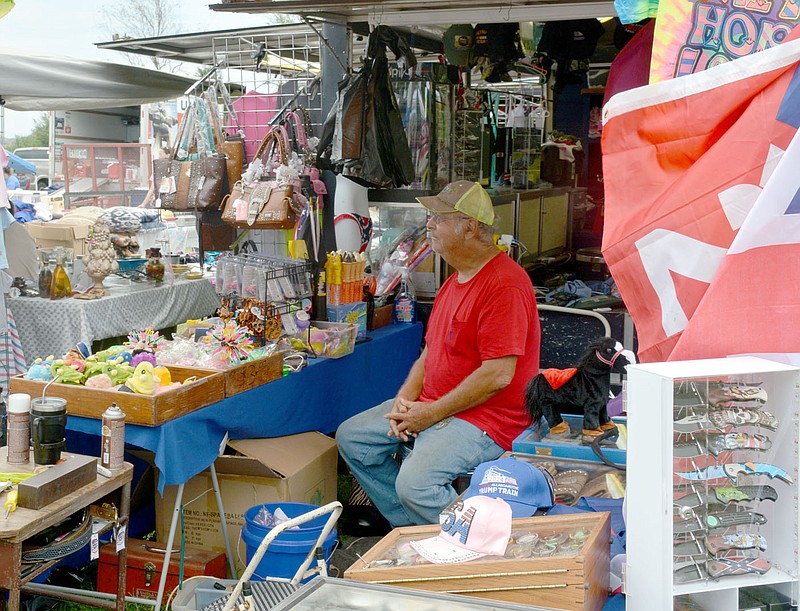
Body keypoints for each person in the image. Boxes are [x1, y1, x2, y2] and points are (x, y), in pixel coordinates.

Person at [336, 180, 541, 527]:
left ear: (471, 228)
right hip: (438, 406)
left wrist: (428, 414)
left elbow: (498, 375)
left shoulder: (505, 284)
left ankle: (473, 547)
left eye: (438, 217)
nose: (428, 224)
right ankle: (413, 530)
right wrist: (404, 403)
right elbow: (428, 354)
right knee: (353, 438)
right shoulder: (455, 280)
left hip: (487, 419)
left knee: (415, 484)